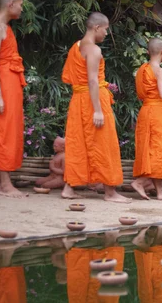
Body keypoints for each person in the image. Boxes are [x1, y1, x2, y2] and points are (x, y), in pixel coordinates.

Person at [60, 12, 131, 203]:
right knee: (104, 143)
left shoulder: (76, 46)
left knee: (79, 143)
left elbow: (71, 78)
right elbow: (92, 80)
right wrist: (98, 110)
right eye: (106, 29)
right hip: (93, 100)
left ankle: (69, 188)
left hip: (78, 100)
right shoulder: (93, 50)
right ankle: (110, 192)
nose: (107, 34)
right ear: (97, 27)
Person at [0, 0, 27, 198]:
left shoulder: (4, 27)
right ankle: (4, 183)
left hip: (9, 81)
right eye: (20, 4)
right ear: (11, 4)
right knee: (2, 129)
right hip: (1, 83)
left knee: (8, 128)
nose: (22, 8)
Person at [131, 38, 162, 200]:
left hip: (147, 110)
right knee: (161, 150)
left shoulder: (142, 70)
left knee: (152, 149)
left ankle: (160, 191)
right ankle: (140, 182)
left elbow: (150, 94)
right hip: (158, 114)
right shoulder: (159, 71)